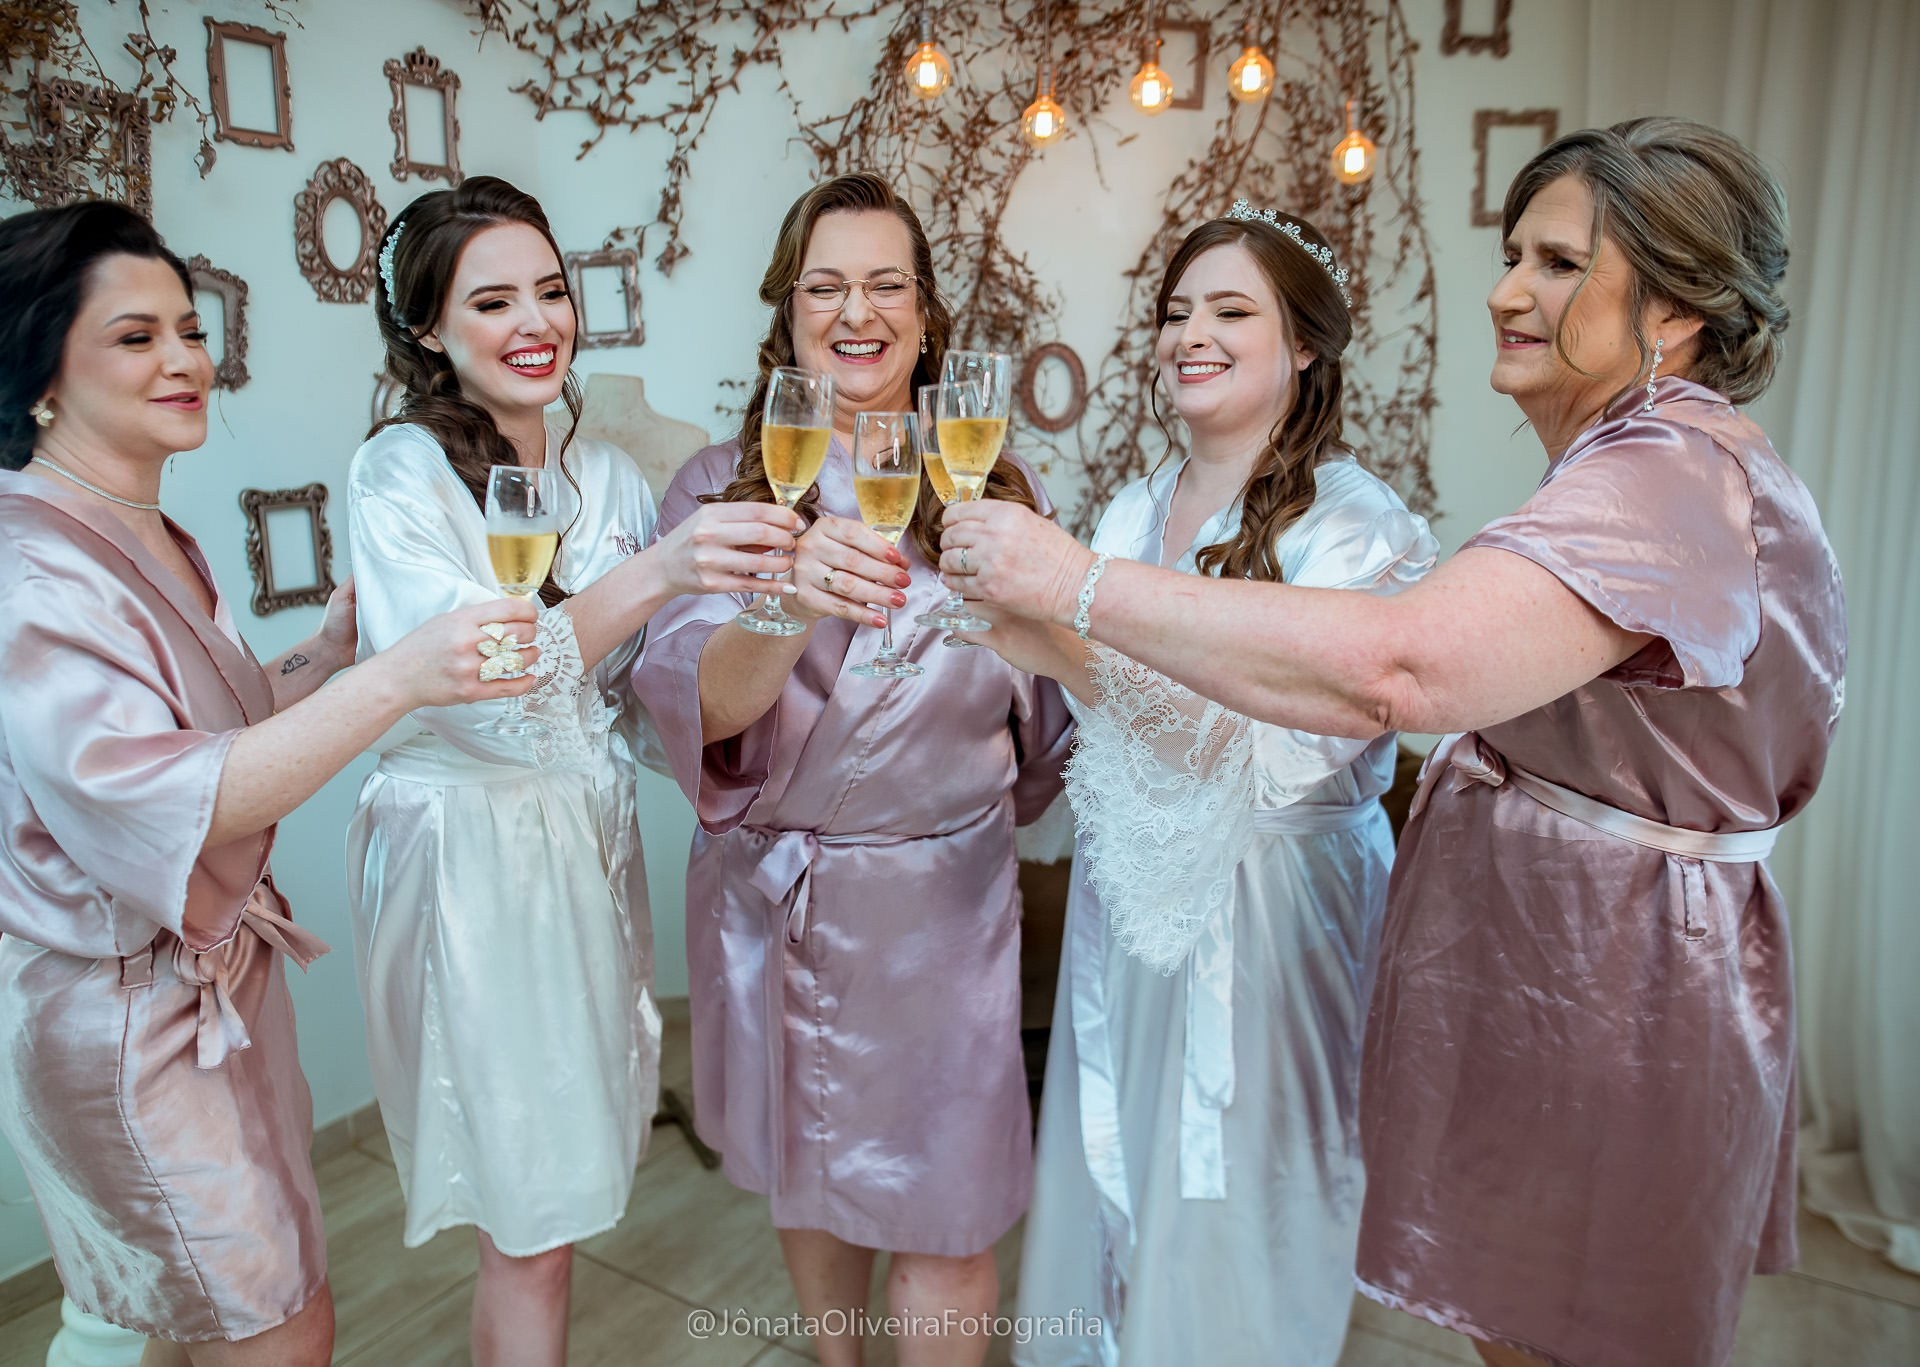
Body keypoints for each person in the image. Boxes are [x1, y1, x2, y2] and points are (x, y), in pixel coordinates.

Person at [941, 118, 1844, 1367]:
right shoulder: (1627, 463)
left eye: (1557, 262)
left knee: (1563, 1326)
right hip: (1552, 971)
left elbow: (1394, 667)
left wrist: (1074, 583)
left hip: (1611, 982)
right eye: (1513, 253)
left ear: (1676, 305)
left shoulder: (1663, 477)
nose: (1505, 288)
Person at [0, 201, 540, 1367]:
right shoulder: (16, 565)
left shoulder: (135, 526)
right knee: (273, 1326)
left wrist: (331, 651)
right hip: (119, 1021)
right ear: (38, 371)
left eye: (189, 328)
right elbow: (178, 798)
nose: (184, 359)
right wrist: (403, 679)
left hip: (202, 995)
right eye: (134, 336)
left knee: (175, 1317)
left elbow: (197, 729)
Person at [343, 176, 801, 1367]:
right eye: (491, 300)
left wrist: (762, 659)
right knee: (531, 1223)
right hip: (470, 861)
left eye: (550, 289)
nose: (535, 319)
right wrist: (659, 575)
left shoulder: (607, 479)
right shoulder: (399, 474)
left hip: (580, 851)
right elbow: (481, 677)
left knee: (567, 1195)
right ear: (429, 331)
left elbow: (643, 702)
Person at [980, 207, 1436, 1366]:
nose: (1191, 332)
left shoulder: (1357, 529)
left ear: (1304, 348)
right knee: (1116, 1149)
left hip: (1277, 909)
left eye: (1230, 311)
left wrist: (1051, 642)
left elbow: (1263, 749)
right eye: (1177, 310)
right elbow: (1116, 719)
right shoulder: (1136, 506)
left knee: (1246, 1184)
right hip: (1133, 890)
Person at [631, 172, 1073, 1367]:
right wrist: (783, 600)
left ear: (927, 316)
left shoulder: (993, 484)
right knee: (808, 1179)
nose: (855, 310)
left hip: (945, 909)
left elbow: (1048, 724)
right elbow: (704, 716)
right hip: (780, 905)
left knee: (949, 1215)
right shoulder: (721, 490)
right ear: (786, 314)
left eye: (886, 283)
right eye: (824, 285)